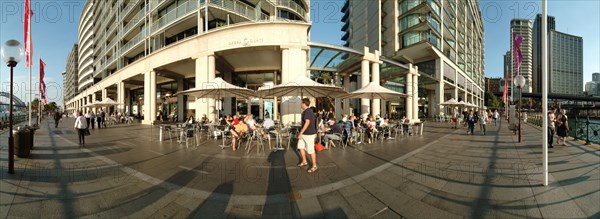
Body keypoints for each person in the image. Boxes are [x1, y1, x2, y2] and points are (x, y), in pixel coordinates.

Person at [297, 98, 318, 173]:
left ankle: (314, 166)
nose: (300, 104)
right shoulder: (306, 111)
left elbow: (307, 122)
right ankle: (304, 161)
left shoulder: (308, 111)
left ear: (304, 103)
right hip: (305, 133)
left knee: (310, 150)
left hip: (309, 134)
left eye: (301, 103)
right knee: (300, 147)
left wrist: (301, 132)